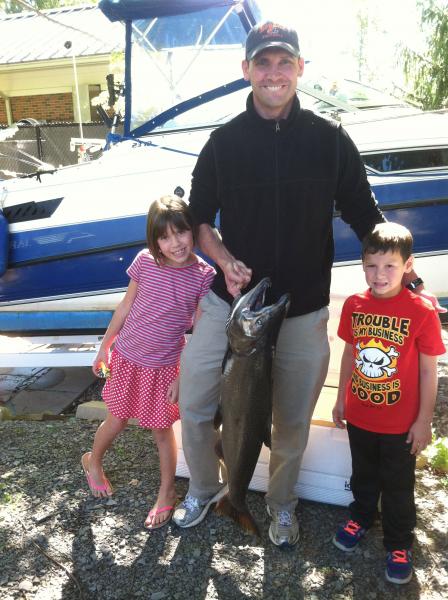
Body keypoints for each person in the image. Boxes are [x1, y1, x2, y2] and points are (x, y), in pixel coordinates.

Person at [172, 21, 437, 546]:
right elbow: (198, 220)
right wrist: (223, 260)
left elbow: (365, 215)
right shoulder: (222, 143)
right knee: (196, 405)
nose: (274, 73)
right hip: (232, 304)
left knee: (291, 421)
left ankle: (282, 505)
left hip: (303, 307)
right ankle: (205, 489)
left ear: (300, 69)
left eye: (284, 62)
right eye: (263, 63)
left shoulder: (330, 139)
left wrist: (410, 278)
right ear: (245, 70)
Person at [81, 195, 215, 530]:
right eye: (165, 237)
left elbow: (198, 332)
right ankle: (93, 461)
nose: (175, 243)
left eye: (181, 232)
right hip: (127, 357)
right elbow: (125, 306)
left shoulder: (204, 275)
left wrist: (182, 375)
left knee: (161, 430)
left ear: (192, 231)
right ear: (154, 241)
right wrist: (104, 346)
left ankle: (167, 491)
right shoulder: (145, 261)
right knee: (116, 419)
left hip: (165, 366)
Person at [331, 222, 445, 584]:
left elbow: (428, 370)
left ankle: (399, 543)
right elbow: (350, 353)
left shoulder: (422, 310)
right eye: (371, 265)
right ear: (362, 264)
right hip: (360, 415)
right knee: (362, 474)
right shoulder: (355, 304)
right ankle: (361, 517)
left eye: (390, 266)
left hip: (401, 424)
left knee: (398, 486)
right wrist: (341, 398)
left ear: (408, 265)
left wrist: (423, 420)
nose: (379, 274)